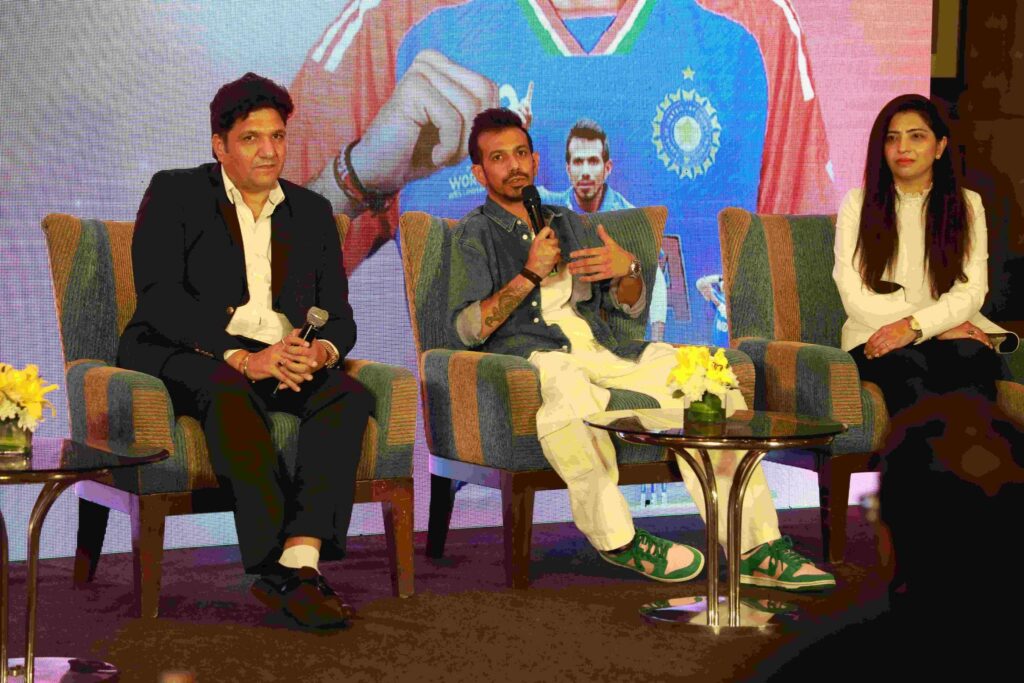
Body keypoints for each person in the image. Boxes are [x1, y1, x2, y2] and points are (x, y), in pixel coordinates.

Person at [447, 108, 835, 590]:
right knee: (567, 398)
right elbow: (467, 329)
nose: (514, 166)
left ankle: (755, 548)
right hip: (537, 358)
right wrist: (529, 272)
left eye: (521, 153)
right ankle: (620, 539)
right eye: (498, 158)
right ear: (479, 173)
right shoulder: (474, 234)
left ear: (536, 159)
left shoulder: (568, 223)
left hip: (605, 350)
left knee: (706, 379)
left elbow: (627, 306)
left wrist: (627, 270)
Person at [118, 73, 371, 631]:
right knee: (229, 390)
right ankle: (272, 567)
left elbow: (340, 315)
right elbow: (160, 299)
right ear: (220, 145)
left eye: (277, 137)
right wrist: (239, 356)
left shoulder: (311, 211)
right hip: (184, 349)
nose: (269, 151)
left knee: (349, 396)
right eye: (251, 138)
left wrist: (321, 354)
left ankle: (299, 561)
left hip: (280, 352)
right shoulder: (176, 193)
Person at [833, 94, 1017, 417]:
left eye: (916, 136)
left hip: (944, 335)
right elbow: (853, 294)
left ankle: (972, 451)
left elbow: (972, 290)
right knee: (911, 372)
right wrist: (932, 327)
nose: (902, 148)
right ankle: (921, 453)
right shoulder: (856, 204)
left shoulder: (968, 204)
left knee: (975, 360)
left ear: (940, 146)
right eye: (892, 138)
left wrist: (919, 327)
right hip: (874, 337)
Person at [538, 118, 634, 213]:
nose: (585, 172)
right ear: (568, 169)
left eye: (593, 162)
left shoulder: (630, 216)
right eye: (578, 162)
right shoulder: (551, 208)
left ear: (607, 168)